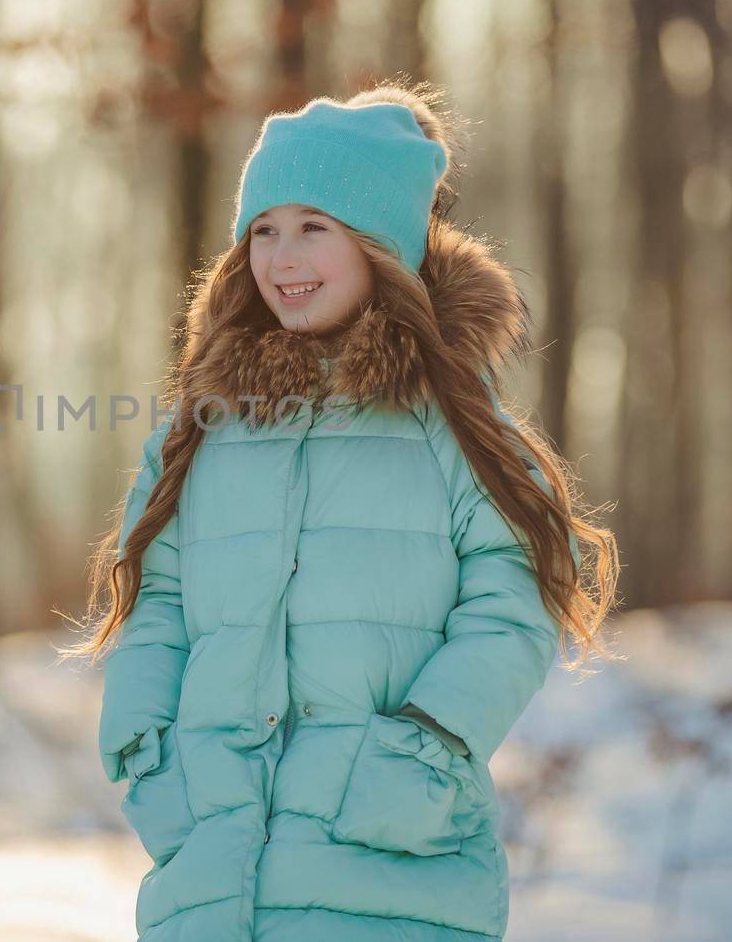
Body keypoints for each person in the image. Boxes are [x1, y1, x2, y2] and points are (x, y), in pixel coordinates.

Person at [61, 79, 621, 941]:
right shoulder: (205, 429)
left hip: (393, 860)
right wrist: (149, 759)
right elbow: (157, 602)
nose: (282, 257)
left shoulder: (450, 425)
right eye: (264, 230)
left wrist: (427, 748)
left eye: (313, 228)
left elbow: (516, 591)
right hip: (213, 866)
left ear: (378, 245)